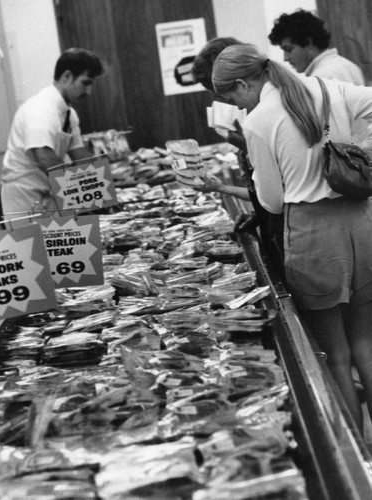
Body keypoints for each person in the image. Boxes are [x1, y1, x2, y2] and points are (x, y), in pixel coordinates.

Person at [211, 43, 372, 433]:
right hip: (361, 223)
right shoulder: (327, 86)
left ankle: (359, 460)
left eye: (231, 97)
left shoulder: (258, 120)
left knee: (335, 354)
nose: (235, 105)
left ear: (241, 84)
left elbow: (272, 202)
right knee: (367, 345)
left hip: (314, 236)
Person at [192, 37, 285, 280]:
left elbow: (277, 186)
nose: (223, 100)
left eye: (226, 95)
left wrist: (242, 143)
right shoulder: (257, 107)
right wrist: (257, 213)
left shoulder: (264, 113)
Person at [0, 48, 104, 221]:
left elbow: (80, 155)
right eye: (85, 83)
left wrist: (102, 180)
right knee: (31, 248)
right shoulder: (40, 109)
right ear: (67, 76)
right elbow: (45, 158)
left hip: (47, 196)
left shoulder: (69, 114)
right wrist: (87, 189)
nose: (89, 91)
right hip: (23, 199)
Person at [268, 9, 365, 85]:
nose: (285, 58)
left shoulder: (321, 78)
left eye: (288, 49)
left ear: (308, 42)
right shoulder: (349, 66)